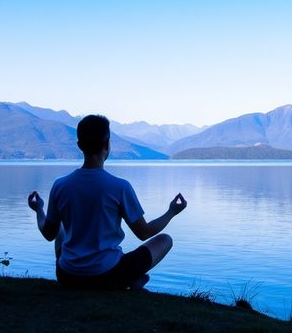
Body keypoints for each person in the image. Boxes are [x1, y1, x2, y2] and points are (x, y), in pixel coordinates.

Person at [27, 114, 187, 290]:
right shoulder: (120, 187)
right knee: (165, 240)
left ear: (79, 146)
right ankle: (129, 280)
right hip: (108, 275)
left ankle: (127, 280)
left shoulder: (60, 185)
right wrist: (171, 211)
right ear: (107, 144)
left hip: (67, 275)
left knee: (60, 229)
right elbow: (144, 232)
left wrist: (39, 210)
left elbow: (49, 233)